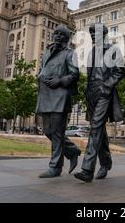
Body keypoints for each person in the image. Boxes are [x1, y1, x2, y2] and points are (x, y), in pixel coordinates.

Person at [74, 23, 125, 182]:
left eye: (95, 32)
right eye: (91, 33)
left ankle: (87, 170)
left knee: (95, 127)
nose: (93, 35)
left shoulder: (114, 50)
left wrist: (107, 86)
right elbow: (89, 75)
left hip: (104, 93)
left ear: (104, 33)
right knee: (99, 130)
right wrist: (87, 92)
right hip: (91, 94)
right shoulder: (91, 52)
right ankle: (106, 162)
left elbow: (120, 71)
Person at [36, 25, 81, 178]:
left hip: (60, 95)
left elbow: (75, 74)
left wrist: (60, 81)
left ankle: (55, 167)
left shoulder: (70, 54)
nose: (57, 36)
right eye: (56, 33)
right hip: (45, 94)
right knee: (48, 131)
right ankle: (72, 150)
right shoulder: (47, 52)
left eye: (61, 34)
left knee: (56, 133)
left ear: (67, 38)